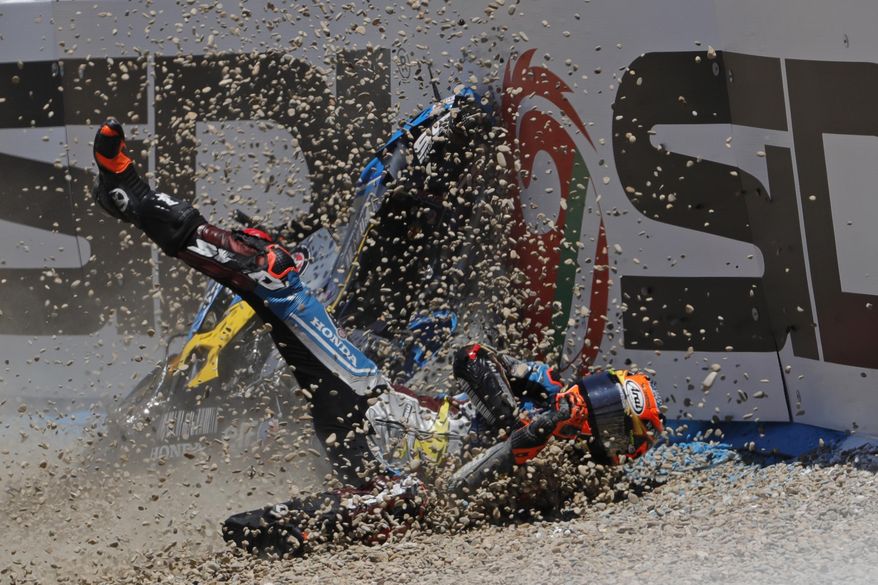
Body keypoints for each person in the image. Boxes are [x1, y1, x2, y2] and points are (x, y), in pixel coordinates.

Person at [91, 118, 664, 555]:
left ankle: (290, 524)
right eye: (608, 408)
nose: (600, 422)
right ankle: (139, 198)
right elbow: (471, 356)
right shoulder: (540, 391)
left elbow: (468, 501)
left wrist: (526, 448)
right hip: (373, 402)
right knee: (274, 271)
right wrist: (516, 418)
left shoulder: (567, 484)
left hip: (394, 479)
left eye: (613, 428)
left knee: (401, 506)